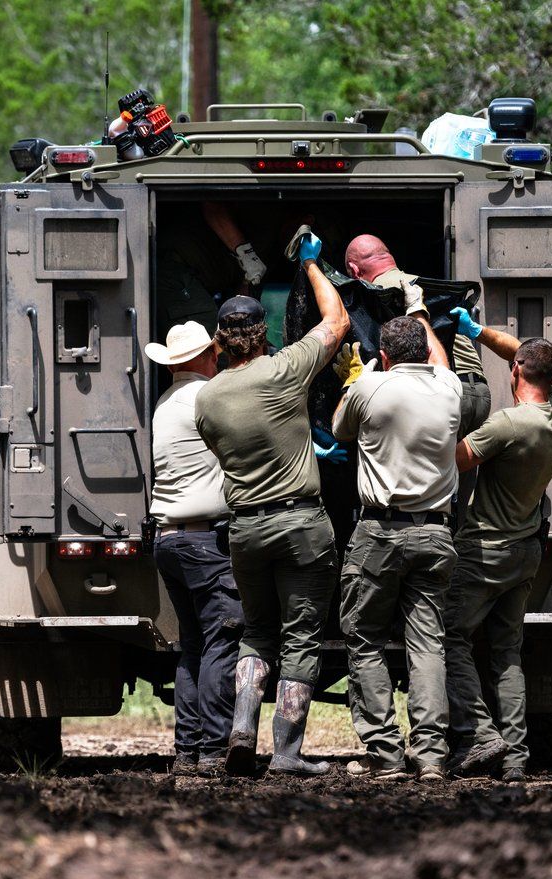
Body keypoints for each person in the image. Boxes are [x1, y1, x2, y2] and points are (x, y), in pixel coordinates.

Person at [195, 231, 350, 777]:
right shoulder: (284, 369)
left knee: (256, 633)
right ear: (262, 335)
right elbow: (336, 324)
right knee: (300, 636)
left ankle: (241, 731)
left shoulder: (206, 399)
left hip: (246, 531)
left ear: (219, 341)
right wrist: (311, 267)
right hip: (301, 524)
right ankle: (285, 754)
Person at [331, 312, 461, 782]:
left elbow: (340, 426)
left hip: (380, 534)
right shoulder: (450, 388)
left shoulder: (371, 388)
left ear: (384, 357)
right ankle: (430, 757)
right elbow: (442, 364)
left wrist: (356, 376)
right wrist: (421, 309)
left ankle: (385, 755)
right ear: (426, 352)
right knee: (428, 645)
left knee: (364, 638)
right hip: (436, 534)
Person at [442, 311, 552, 782]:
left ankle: (480, 734)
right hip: (525, 554)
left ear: (516, 372)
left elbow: (456, 460)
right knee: (506, 652)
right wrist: (478, 335)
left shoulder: (506, 424)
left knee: (450, 638)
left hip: (483, 552)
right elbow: (526, 354)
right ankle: (516, 757)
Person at [145, 321, 244, 777]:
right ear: (203, 358)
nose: (217, 358)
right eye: (213, 353)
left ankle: (187, 751)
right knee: (222, 641)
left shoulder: (164, 404)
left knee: (193, 646)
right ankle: (211, 752)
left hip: (169, 538)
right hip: (205, 540)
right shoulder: (205, 398)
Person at [343, 235, 490, 439]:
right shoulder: (423, 285)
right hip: (479, 391)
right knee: (458, 466)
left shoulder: (377, 296)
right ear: (389, 257)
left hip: (443, 392)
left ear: (355, 270)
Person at [157, 202, 268, 331]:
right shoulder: (269, 219)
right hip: (176, 267)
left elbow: (243, 301)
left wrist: (248, 333)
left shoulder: (268, 249)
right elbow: (213, 206)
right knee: (205, 331)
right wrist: (246, 254)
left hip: (198, 280)